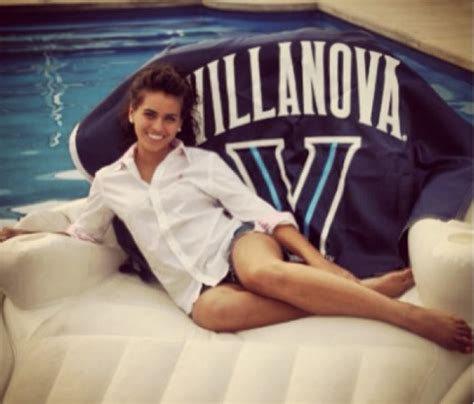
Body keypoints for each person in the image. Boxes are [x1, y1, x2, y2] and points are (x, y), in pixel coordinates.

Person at [1, 63, 472, 354]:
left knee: (261, 274)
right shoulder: (110, 181)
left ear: (180, 123)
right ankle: (365, 292)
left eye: (170, 118)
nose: (159, 127)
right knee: (211, 315)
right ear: (131, 114)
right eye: (150, 115)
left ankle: (407, 317)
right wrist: (24, 235)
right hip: (194, 289)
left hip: (238, 245)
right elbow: (84, 233)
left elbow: (262, 213)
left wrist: (318, 262)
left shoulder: (200, 164)